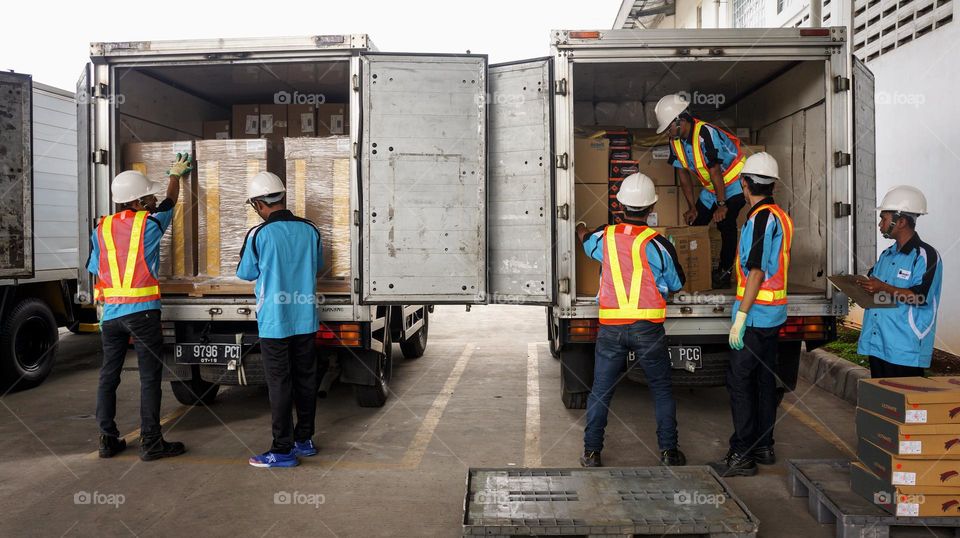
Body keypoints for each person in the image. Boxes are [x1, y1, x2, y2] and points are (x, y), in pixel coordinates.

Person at [575, 173, 686, 468]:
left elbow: (586, 241)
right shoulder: (660, 244)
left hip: (611, 328)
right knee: (661, 389)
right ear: (651, 209)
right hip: (648, 328)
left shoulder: (605, 238)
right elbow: (677, 284)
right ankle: (668, 452)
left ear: (619, 204)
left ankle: (591, 452)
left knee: (601, 389)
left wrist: (581, 228)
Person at [89, 154, 192, 461]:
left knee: (109, 375)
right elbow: (169, 203)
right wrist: (176, 176)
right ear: (138, 201)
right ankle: (151, 442)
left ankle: (107, 439)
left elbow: (96, 269)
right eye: (148, 195)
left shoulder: (101, 229)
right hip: (143, 313)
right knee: (149, 378)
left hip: (111, 316)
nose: (153, 198)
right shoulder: (149, 224)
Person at [708, 152, 793, 477]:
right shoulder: (781, 216)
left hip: (756, 317)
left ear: (744, 184)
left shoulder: (759, 218)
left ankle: (742, 454)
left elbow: (756, 271)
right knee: (763, 381)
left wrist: (741, 317)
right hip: (774, 315)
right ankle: (764, 445)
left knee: (740, 382)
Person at [237, 171, 324, 468]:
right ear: (282, 197)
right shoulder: (311, 230)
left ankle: (283, 450)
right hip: (305, 318)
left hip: (275, 321)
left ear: (259, 204)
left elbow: (245, 273)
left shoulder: (258, 235)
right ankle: (305, 440)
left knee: (279, 383)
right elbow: (318, 264)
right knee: (306, 378)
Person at [654, 93, 746, 289]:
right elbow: (683, 175)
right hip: (712, 187)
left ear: (680, 120)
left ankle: (724, 272)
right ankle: (693, 271)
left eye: (669, 126)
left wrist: (721, 205)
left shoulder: (705, 134)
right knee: (696, 224)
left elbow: (715, 172)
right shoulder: (675, 141)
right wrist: (691, 207)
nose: (667, 133)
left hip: (735, 184)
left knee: (726, 223)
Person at [857, 185, 942, 378]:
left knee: (906, 405)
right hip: (878, 344)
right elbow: (879, 294)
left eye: (883, 218)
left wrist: (882, 287)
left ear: (901, 221)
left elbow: (920, 298)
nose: (880, 224)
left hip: (905, 349)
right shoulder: (887, 255)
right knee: (882, 404)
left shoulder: (925, 256)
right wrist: (861, 288)